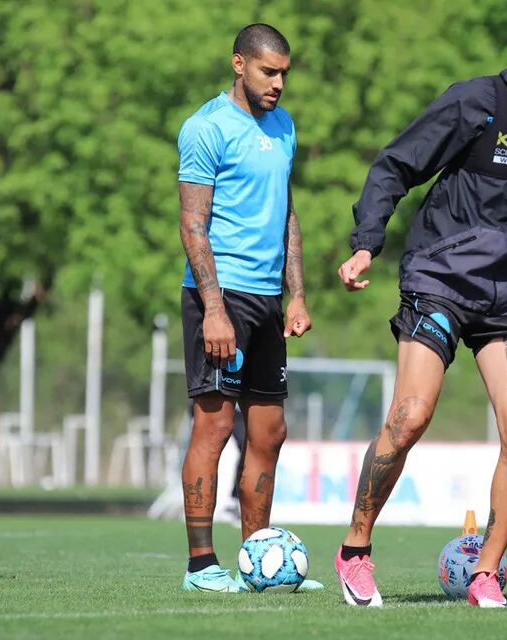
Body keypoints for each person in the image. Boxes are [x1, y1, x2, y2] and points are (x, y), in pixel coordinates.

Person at [334, 13, 507, 608]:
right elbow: (394, 166)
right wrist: (366, 241)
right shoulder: (474, 102)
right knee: (411, 415)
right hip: (442, 278)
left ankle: (486, 572)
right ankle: (354, 549)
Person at [177, 23, 320, 593]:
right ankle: (200, 566)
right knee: (213, 428)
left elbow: (286, 214)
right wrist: (213, 307)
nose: (279, 83)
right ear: (239, 64)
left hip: (267, 299)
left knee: (270, 432)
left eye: (285, 72)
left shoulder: (283, 127)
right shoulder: (206, 127)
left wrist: (298, 293)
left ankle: (256, 557)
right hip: (222, 296)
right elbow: (192, 223)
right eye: (269, 71)